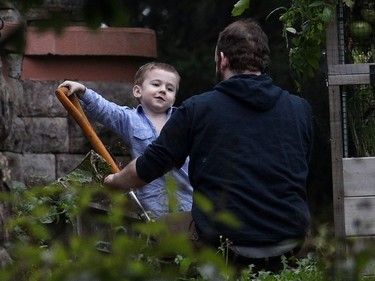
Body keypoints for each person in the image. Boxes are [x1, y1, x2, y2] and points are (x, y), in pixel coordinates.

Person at [104, 19, 313, 272]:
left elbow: (148, 167)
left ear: (223, 59)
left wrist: (114, 182)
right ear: (262, 61)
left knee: (150, 236)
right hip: (289, 241)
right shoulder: (300, 109)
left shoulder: (197, 109)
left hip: (227, 243)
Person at [58, 62, 193, 219]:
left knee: (188, 238)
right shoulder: (130, 119)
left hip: (187, 200)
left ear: (174, 97)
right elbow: (106, 110)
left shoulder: (184, 120)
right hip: (151, 204)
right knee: (156, 239)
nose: (163, 90)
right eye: (156, 84)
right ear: (137, 91)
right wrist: (83, 90)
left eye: (170, 89)